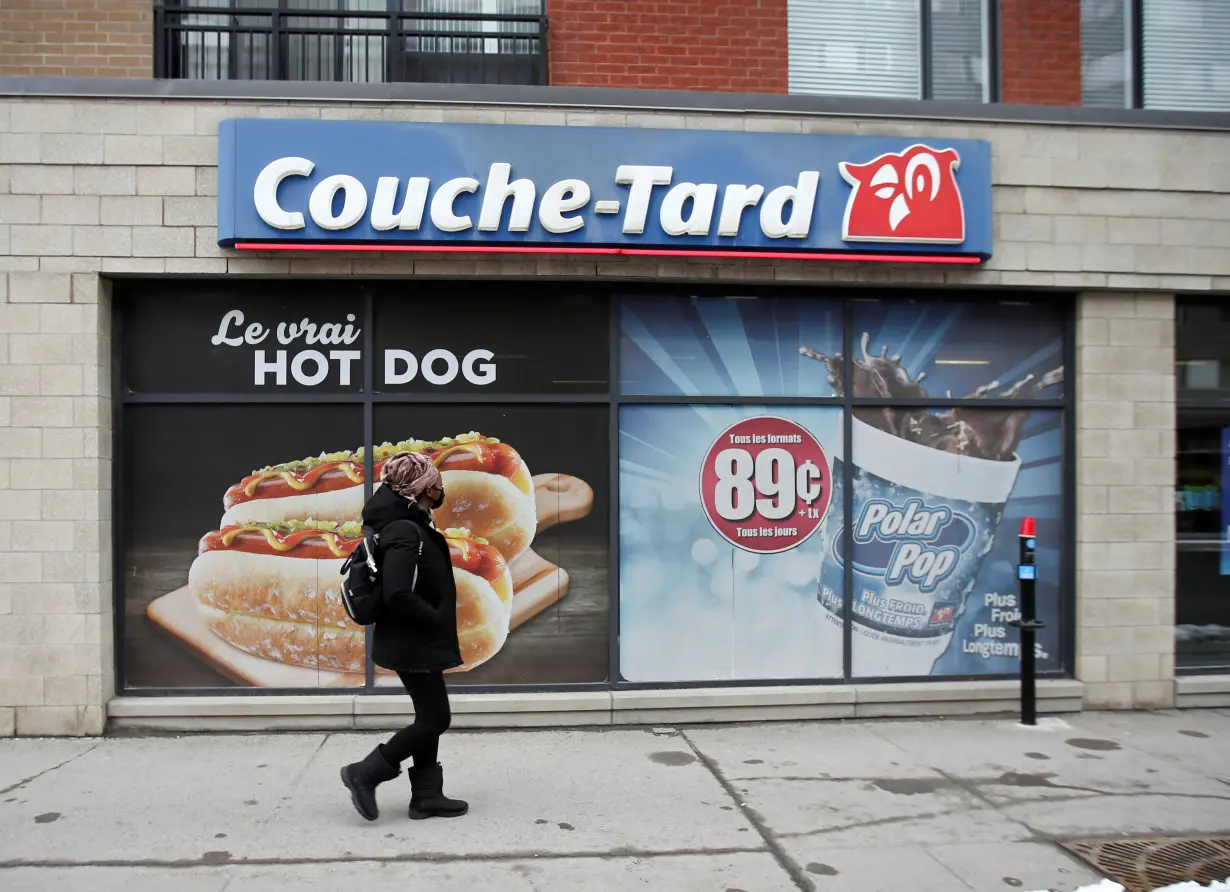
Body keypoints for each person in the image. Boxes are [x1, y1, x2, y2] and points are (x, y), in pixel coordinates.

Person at [340, 451, 468, 822]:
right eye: (436, 483)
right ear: (422, 487)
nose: (441, 490)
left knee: (428, 715)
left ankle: (427, 796)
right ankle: (365, 773)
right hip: (414, 639)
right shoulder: (403, 529)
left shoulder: (408, 524)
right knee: (435, 718)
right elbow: (397, 591)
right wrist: (434, 619)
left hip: (416, 638)